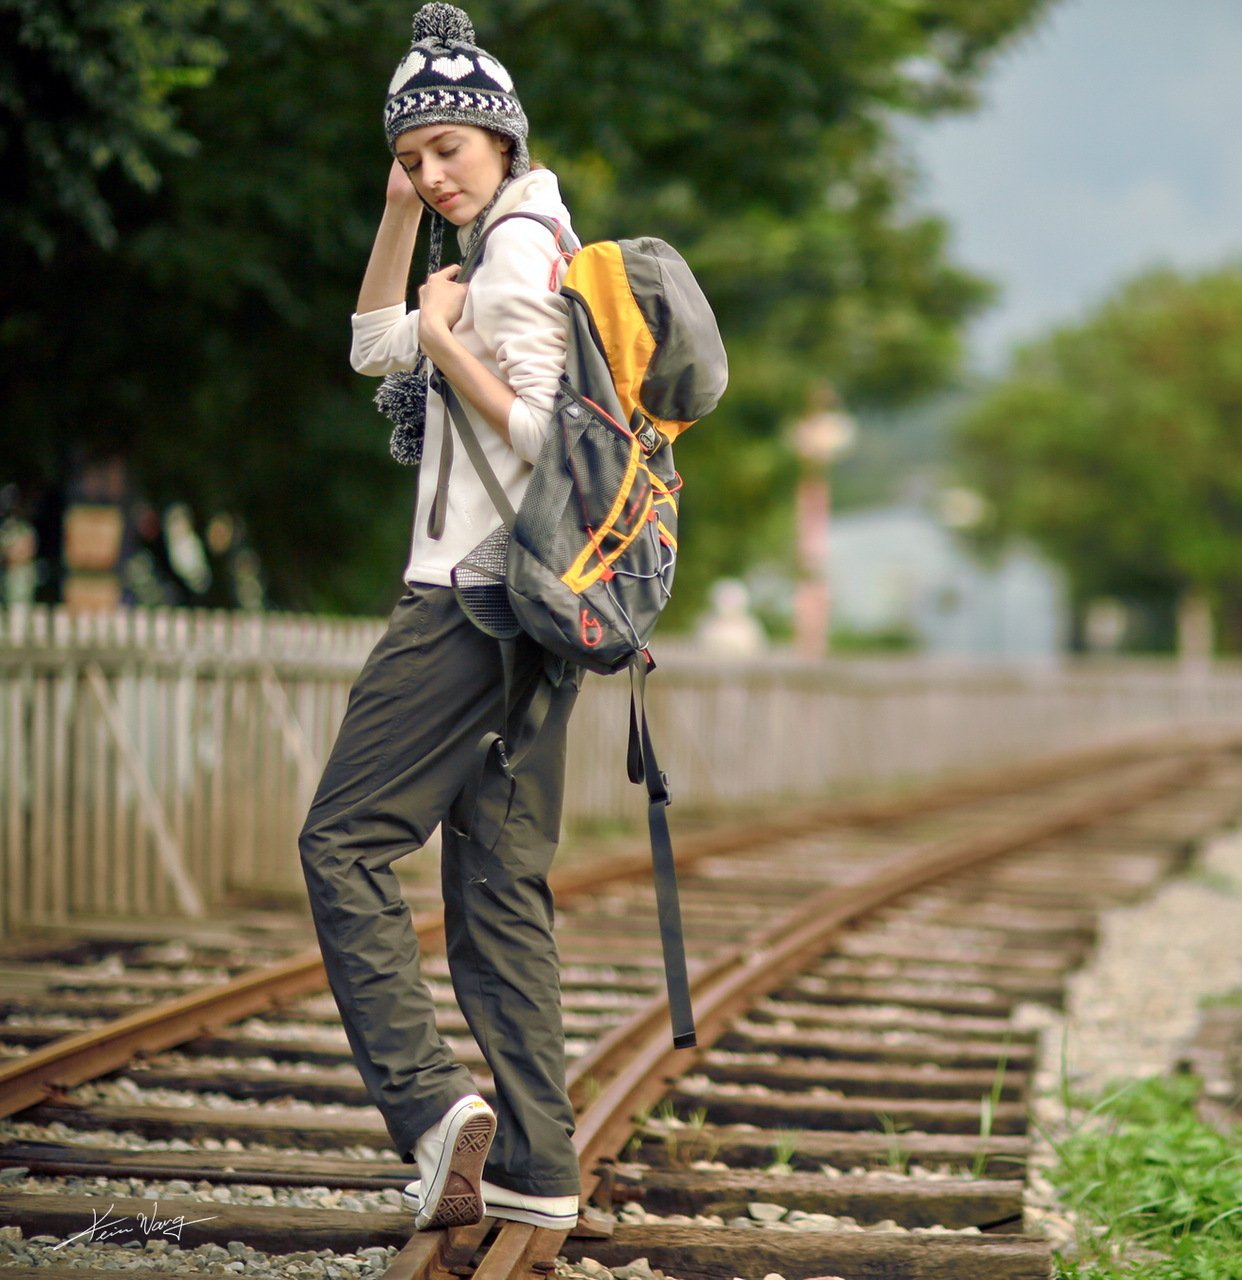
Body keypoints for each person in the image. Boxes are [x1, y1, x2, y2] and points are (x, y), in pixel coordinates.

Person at [298, 2, 583, 1234]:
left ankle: (428, 1105)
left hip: (471, 595)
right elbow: (373, 346)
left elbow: (539, 433)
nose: (430, 169)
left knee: (343, 841)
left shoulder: (519, 246)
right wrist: (404, 226)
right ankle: (539, 1162)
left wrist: (442, 336)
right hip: (541, 608)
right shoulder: (507, 230)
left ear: (503, 138)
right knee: (499, 884)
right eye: (411, 155)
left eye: (447, 151)